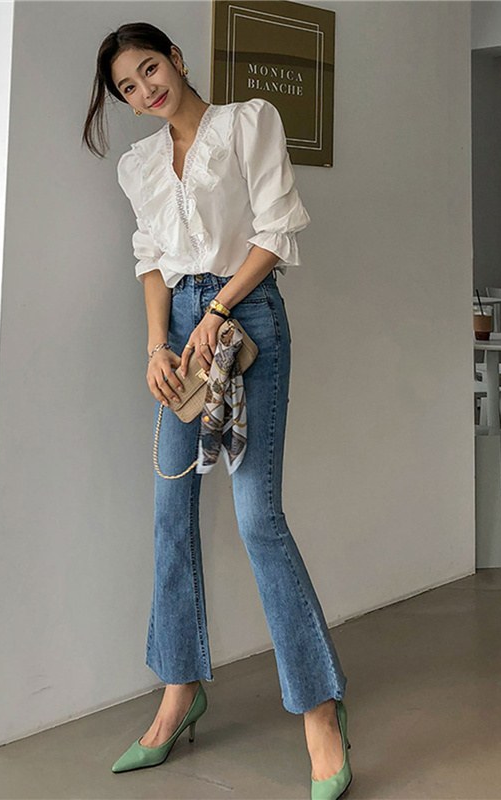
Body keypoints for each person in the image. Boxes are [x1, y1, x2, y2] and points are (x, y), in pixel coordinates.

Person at [82, 22, 352, 800]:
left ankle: (320, 710)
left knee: (257, 516)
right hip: (179, 338)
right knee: (170, 513)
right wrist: (155, 349)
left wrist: (219, 307)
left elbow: (275, 231)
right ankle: (179, 693)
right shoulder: (138, 165)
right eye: (128, 88)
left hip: (245, 321)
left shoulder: (245, 123)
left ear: (175, 58)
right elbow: (152, 261)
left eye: (150, 69)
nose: (145, 90)